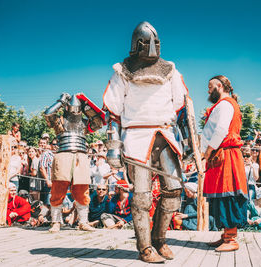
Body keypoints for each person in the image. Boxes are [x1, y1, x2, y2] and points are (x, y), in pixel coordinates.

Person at [102, 22, 189, 263]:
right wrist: (113, 149)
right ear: (137, 45)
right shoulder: (122, 70)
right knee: (141, 197)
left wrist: (189, 143)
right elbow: (114, 112)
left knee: (173, 192)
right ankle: (145, 247)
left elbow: (181, 108)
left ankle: (160, 239)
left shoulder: (170, 69)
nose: (152, 47)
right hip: (136, 138)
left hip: (166, 134)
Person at [44, 93, 103, 232]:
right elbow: (48, 114)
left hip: (81, 156)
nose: (75, 110)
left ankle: (83, 222)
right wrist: (61, 100)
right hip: (63, 155)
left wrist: (87, 106)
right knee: (58, 189)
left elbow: (99, 123)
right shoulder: (60, 122)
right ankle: (56, 222)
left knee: (82, 191)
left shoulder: (84, 123)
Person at [201, 75, 248, 252]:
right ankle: (225, 236)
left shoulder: (226, 104)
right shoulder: (223, 105)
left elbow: (221, 130)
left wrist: (207, 151)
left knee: (228, 195)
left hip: (225, 155)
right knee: (221, 196)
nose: (208, 90)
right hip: (220, 154)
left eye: (210, 86)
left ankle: (231, 239)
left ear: (219, 86)